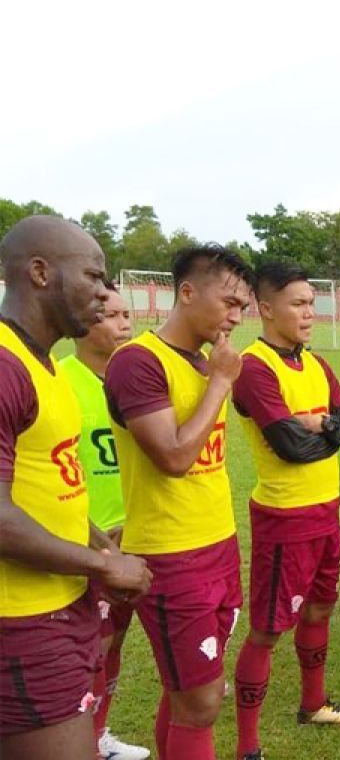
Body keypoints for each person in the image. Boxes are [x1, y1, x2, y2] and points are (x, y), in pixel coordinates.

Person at [0, 216, 151, 760]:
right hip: (20, 623)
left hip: (62, 608)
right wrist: (105, 566)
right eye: (94, 276)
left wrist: (97, 544)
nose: (107, 293)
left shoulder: (49, 368)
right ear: (40, 272)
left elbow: (46, 487)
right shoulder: (4, 366)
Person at [104, 244, 254, 760]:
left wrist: (215, 375)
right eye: (229, 302)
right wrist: (219, 383)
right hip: (171, 555)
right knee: (204, 701)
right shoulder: (138, 361)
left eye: (243, 307)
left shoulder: (206, 362)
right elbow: (172, 456)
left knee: (188, 692)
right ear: (187, 292)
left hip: (220, 546)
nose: (236, 316)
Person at [230, 263, 340, 760]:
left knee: (320, 608)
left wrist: (321, 424)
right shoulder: (253, 367)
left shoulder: (315, 363)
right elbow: (290, 447)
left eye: (312, 302)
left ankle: (313, 705)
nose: (310, 313)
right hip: (283, 520)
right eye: (298, 303)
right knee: (268, 629)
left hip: (326, 512)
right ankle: (249, 746)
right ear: (266, 308)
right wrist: (328, 430)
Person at [59, 282, 149, 760]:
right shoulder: (59, 381)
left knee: (114, 646)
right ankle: (81, 743)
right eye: (112, 316)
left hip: (138, 538)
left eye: (126, 314)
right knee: (92, 647)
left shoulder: (135, 380)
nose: (125, 324)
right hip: (89, 543)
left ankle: (98, 735)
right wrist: (92, 535)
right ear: (82, 322)